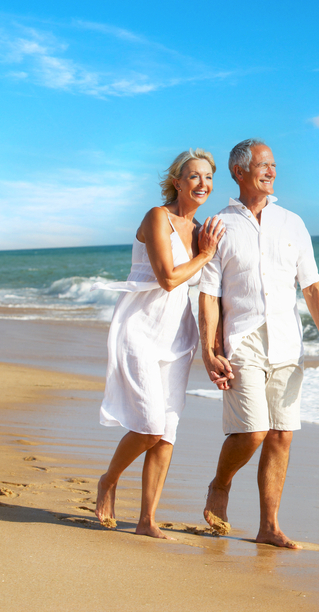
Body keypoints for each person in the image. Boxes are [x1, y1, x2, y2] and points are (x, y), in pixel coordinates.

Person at [198, 138, 319, 549]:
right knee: (254, 430)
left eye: (274, 164)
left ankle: (268, 526)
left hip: (287, 343)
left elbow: (312, 286)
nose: (271, 171)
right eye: (262, 165)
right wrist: (209, 350)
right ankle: (220, 485)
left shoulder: (292, 222)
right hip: (242, 341)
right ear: (239, 171)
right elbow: (208, 294)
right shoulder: (218, 225)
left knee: (281, 435)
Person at [94, 148, 225, 539]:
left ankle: (146, 519)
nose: (203, 184)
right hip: (140, 330)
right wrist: (205, 254)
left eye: (208, 177)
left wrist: (215, 344)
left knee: (166, 432)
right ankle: (109, 480)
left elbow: (210, 290)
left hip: (177, 336)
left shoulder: (201, 227)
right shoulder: (157, 217)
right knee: (150, 426)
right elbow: (167, 278)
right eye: (194, 176)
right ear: (177, 181)